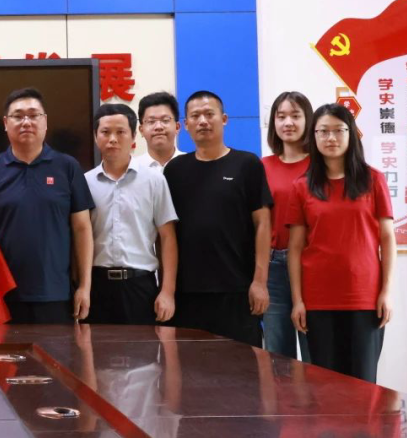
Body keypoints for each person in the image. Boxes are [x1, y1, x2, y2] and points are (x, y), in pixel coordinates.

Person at [0, 87, 94, 324]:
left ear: (45, 122)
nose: (26, 122)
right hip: (3, 296)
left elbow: (82, 228)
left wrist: (84, 287)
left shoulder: (67, 167)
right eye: (18, 116)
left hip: (57, 294)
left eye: (34, 115)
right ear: (6, 123)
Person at [287, 103, 395, 383]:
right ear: (314, 136)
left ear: (351, 134)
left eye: (338, 130)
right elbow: (295, 249)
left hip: (364, 297)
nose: (331, 138)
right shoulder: (301, 186)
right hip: (318, 299)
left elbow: (387, 239)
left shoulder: (373, 180)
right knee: (325, 386)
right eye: (323, 131)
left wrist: (386, 291)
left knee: (363, 383)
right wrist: (298, 301)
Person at [164, 90, 272, 347]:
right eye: (195, 116)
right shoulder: (175, 170)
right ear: (186, 124)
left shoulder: (247, 164)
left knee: (242, 366)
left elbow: (263, 224)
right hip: (187, 293)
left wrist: (259, 282)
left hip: (237, 290)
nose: (203, 121)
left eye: (209, 114)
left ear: (224, 119)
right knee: (191, 367)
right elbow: (167, 233)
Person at [84, 103, 178, 326]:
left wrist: (167, 292)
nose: (113, 139)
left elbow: (167, 237)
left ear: (134, 136)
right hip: (97, 287)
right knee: (95, 348)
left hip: (140, 287)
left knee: (144, 348)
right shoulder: (84, 182)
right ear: (96, 137)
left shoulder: (154, 180)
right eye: (105, 132)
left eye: (120, 132)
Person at [261, 91, 313, 361]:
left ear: (308, 120)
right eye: (281, 117)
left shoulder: (320, 166)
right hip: (273, 267)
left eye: (295, 116)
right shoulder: (262, 166)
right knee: (277, 355)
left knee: (315, 350)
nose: (288, 123)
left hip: (311, 265)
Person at [137, 91, 185, 169]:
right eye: (151, 121)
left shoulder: (193, 166)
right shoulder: (133, 169)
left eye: (165, 120)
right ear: (141, 130)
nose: (158, 127)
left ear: (177, 127)